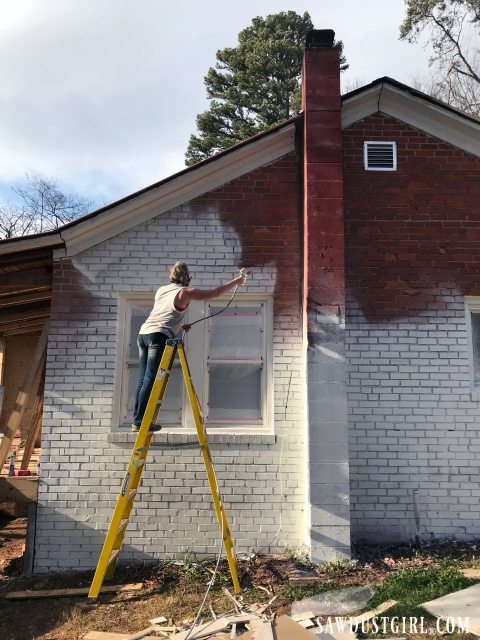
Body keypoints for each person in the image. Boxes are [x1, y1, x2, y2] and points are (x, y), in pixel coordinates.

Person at [132, 261, 247, 431]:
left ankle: (137, 420)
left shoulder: (161, 291)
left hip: (144, 334)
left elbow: (164, 313)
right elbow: (213, 293)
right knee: (151, 378)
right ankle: (141, 422)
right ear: (186, 277)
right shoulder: (185, 292)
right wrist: (236, 281)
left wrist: (179, 326)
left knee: (143, 378)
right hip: (158, 336)